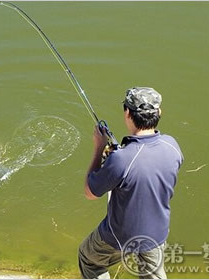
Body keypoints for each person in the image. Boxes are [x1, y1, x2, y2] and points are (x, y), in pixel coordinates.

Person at [79, 87, 183, 279]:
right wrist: (118, 154)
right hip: (156, 234)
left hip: (119, 236)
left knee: (89, 259)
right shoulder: (172, 146)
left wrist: (99, 148)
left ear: (127, 113)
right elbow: (144, 169)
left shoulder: (121, 160)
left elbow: (90, 192)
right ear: (159, 113)